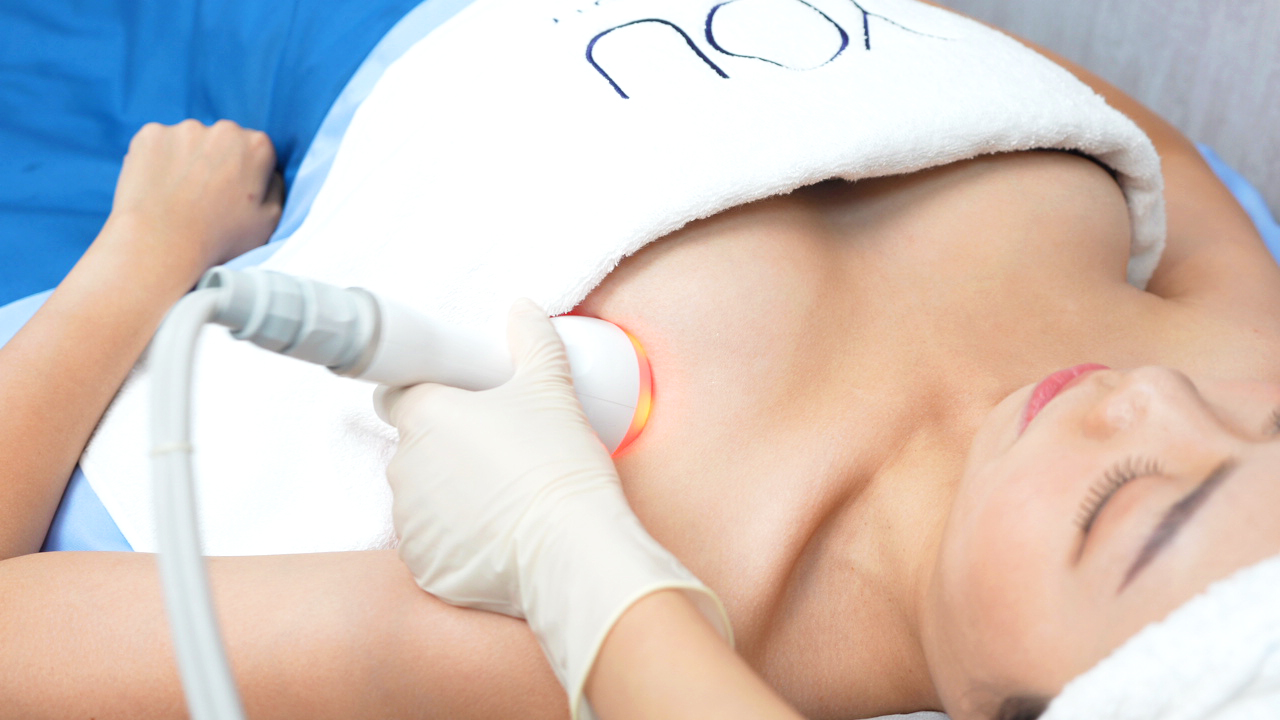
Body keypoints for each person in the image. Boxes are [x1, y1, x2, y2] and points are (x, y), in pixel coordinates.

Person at [1, 2, 1278, 718]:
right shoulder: (1239, 352)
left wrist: (142, 254)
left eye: (1135, 508)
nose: (1152, 400)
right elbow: (1135, 141)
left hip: (171, 235)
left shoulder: (594, 622)